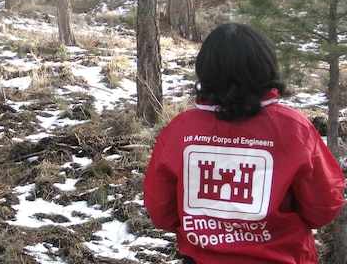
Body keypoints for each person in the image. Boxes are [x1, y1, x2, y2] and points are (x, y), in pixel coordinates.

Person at [143, 22, 345, 264]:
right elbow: (323, 208)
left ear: (206, 71)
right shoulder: (295, 130)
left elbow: (161, 211)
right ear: (266, 68)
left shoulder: (180, 131)